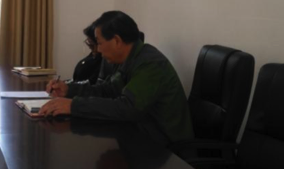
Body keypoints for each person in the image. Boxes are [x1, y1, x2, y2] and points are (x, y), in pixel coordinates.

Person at [40, 11, 194, 146]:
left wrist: (74, 106)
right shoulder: (130, 59)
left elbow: (127, 108)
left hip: (166, 149)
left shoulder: (150, 64)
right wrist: (69, 90)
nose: (98, 50)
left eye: (99, 43)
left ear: (116, 41)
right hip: (142, 136)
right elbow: (107, 90)